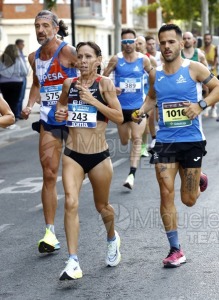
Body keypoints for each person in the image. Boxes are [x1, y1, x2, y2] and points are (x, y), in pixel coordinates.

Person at [132, 23, 219, 268]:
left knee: (189, 199)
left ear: (181, 44)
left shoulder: (194, 69)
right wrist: (141, 111)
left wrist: (200, 106)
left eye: (171, 42)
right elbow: (151, 97)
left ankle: (199, 177)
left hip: (191, 140)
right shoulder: (155, 73)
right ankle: (175, 249)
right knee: (165, 191)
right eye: (163, 42)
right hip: (166, 142)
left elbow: (217, 87)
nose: (167, 46)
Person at [55, 41, 123, 280]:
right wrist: (59, 112)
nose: (82, 61)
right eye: (79, 57)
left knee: (102, 206)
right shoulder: (68, 84)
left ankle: (112, 238)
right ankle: (73, 260)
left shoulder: (105, 85)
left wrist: (93, 101)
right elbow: (60, 107)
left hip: (98, 155)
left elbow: (119, 117)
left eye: (88, 57)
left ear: (98, 60)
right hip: (72, 153)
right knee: (70, 202)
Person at [21, 10, 77, 254]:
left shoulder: (68, 51)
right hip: (49, 120)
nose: (40, 30)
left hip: (75, 120)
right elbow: (37, 83)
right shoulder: (34, 57)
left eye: (45, 25)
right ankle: (50, 233)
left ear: (55, 28)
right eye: (37, 26)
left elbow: (92, 70)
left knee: (82, 175)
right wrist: (30, 104)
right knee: (49, 173)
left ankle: (105, 221)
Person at [103, 28, 153, 190]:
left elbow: (153, 78)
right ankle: (131, 134)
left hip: (138, 108)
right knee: (125, 141)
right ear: (121, 43)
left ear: (135, 42)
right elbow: (103, 79)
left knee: (137, 139)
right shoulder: (116, 59)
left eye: (130, 41)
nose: (128, 45)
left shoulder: (143, 60)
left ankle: (131, 175)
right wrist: (112, 89)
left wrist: (151, 96)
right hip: (120, 109)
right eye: (124, 42)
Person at [135, 35, 157, 157]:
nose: (137, 46)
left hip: (147, 93)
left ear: (145, 45)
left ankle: (143, 146)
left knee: (146, 119)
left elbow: (157, 75)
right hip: (133, 96)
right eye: (136, 43)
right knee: (134, 122)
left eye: (140, 43)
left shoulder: (150, 59)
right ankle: (138, 142)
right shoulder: (131, 59)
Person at [0, 44, 28, 117]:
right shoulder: (18, 59)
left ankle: (7, 117)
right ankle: (13, 119)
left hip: (3, 83)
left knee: (7, 101)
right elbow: (25, 71)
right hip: (17, 83)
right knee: (15, 102)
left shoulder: (1, 59)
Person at [145, 35, 163, 152]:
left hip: (161, 87)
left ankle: (162, 136)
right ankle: (154, 138)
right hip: (150, 88)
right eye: (149, 44)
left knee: (159, 116)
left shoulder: (161, 55)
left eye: (153, 44)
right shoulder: (145, 57)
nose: (151, 46)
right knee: (150, 116)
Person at [201, 33, 218, 118]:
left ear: (211, 39)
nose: (207, 40)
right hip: (204, 73)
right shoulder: (201, 49)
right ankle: (206, 106)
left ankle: (213, 108)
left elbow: (216, 59)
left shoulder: (214, 48)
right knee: (205, 89)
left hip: (212, 72)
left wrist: (214, 66)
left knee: (212, 91)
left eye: (208, 39)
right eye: (206, 39)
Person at [15, 39, 28, 120]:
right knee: (19, 97)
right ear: (18, 44)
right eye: (22, 44)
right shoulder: (16, 54)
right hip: (19, 77)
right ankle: (17, 113)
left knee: (22, 96)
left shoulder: (21, 53)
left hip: (23, 77)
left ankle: (19, 112)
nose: (23, 46)